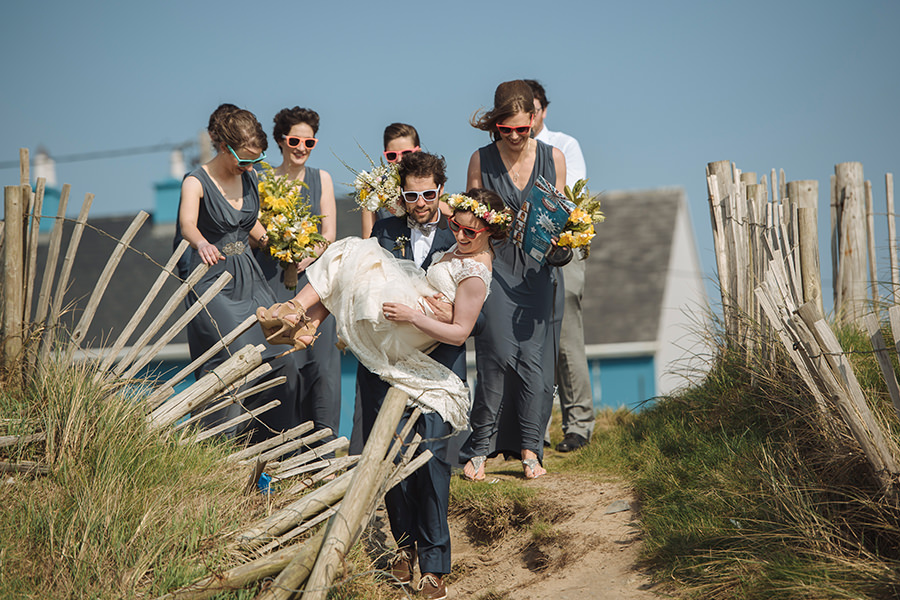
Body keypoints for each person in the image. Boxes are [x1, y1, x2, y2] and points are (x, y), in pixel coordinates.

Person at [257, 166, 511, 599]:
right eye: (411, 196)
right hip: (386, 353)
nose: (421, 204)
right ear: (401, 196)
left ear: (441, 192)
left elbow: (475, 320)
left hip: (436, 358)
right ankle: (403, 547)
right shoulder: (389, 227)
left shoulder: (465, 240)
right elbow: (365, 282)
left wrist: (437, 315)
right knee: (387, 455)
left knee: (430, 461)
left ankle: (434, 566)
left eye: (429, 195)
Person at [460, 80, 567, 481]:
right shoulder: (480, 159)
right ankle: (480, 449)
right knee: (498, 356)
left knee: (535, 362)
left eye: (525, 128)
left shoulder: (553, 157)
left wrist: (563, 243)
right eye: (509, 130)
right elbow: (472, 222)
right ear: (496, 126)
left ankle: (530, 450)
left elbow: (559, 216)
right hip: (496, 268)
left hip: (538, 271)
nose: (519, 136)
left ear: (535, 121)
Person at [178, 103, 300, 442]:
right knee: (238, 357)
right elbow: (187, 223)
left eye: (255, 161)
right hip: (213, 278)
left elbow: (249, 224)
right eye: (244, 159)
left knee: (281, 356)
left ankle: (266, 444)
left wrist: (279, 243)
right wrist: (201, 242)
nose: (248, 167)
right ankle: (216, 443)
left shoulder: (249, 178)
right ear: (223, 147)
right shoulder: (196, 181)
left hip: (250, 275)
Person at [254, 106, 340, 445]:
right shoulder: (262, 180)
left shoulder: (323, 179)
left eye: (310, 142)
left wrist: (309, 252)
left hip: (315, 286)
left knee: (322, 372)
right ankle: (278, 453)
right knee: (282, 368)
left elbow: (329, 233)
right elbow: (251, 223)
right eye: (295, 140)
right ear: (280, 140)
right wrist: (276, 245)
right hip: (274, 283)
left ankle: (323, 452)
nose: (302, 148)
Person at [525, 79, 594, 453]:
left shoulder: (564, 145)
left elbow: (567, 196)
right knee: (529, 341)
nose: (529, 117)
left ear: (543, 111)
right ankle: (536, 429)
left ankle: (579, 424)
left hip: (563, 248)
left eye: (534, 109)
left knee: (566, 338)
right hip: (522, 253)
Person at [360, 122, 421, 239]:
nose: (399, 159)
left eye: (406, 153)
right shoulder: (373, 185)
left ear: (418, 152)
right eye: (392, 155)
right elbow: (367, 238)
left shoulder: (431, 180)